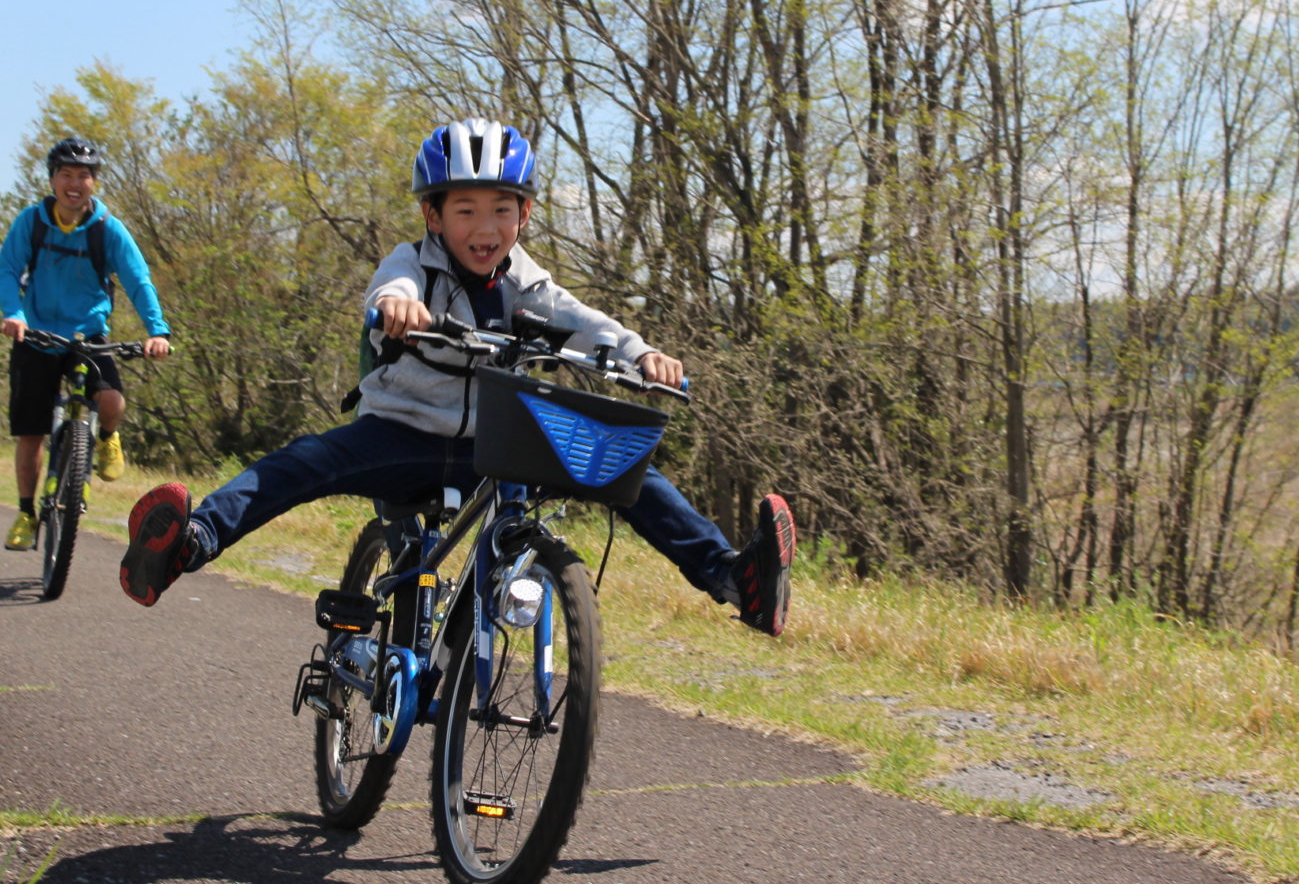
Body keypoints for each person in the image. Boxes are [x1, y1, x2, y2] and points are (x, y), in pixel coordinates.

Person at [121, 117, 794, 635]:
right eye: (464, 209)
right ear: (433, 216)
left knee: (628, 467)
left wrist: (640, 354)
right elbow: (391, 287)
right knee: (303, 463)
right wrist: (396, 307)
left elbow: (586, 323)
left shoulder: (529, 284)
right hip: (401, 434)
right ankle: (189, 542)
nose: (485, 226)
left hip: (498, 447)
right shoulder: (411, 262)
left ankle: (736, 579)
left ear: (524, 215)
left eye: (502, 209)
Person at [0, 137, 172, 550]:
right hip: (35, 335)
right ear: (53, 179)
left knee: (111, 402)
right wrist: (13, 313)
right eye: (66, 175)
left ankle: (107, 437)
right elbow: (7, 269)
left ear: (94, 182)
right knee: (31, 434)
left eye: (84, 176)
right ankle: (25, 512)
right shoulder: (32, 222)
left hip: (86, 336)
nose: (75, 184)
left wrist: (157, 331)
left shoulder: (107, 228)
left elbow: (137, 279)